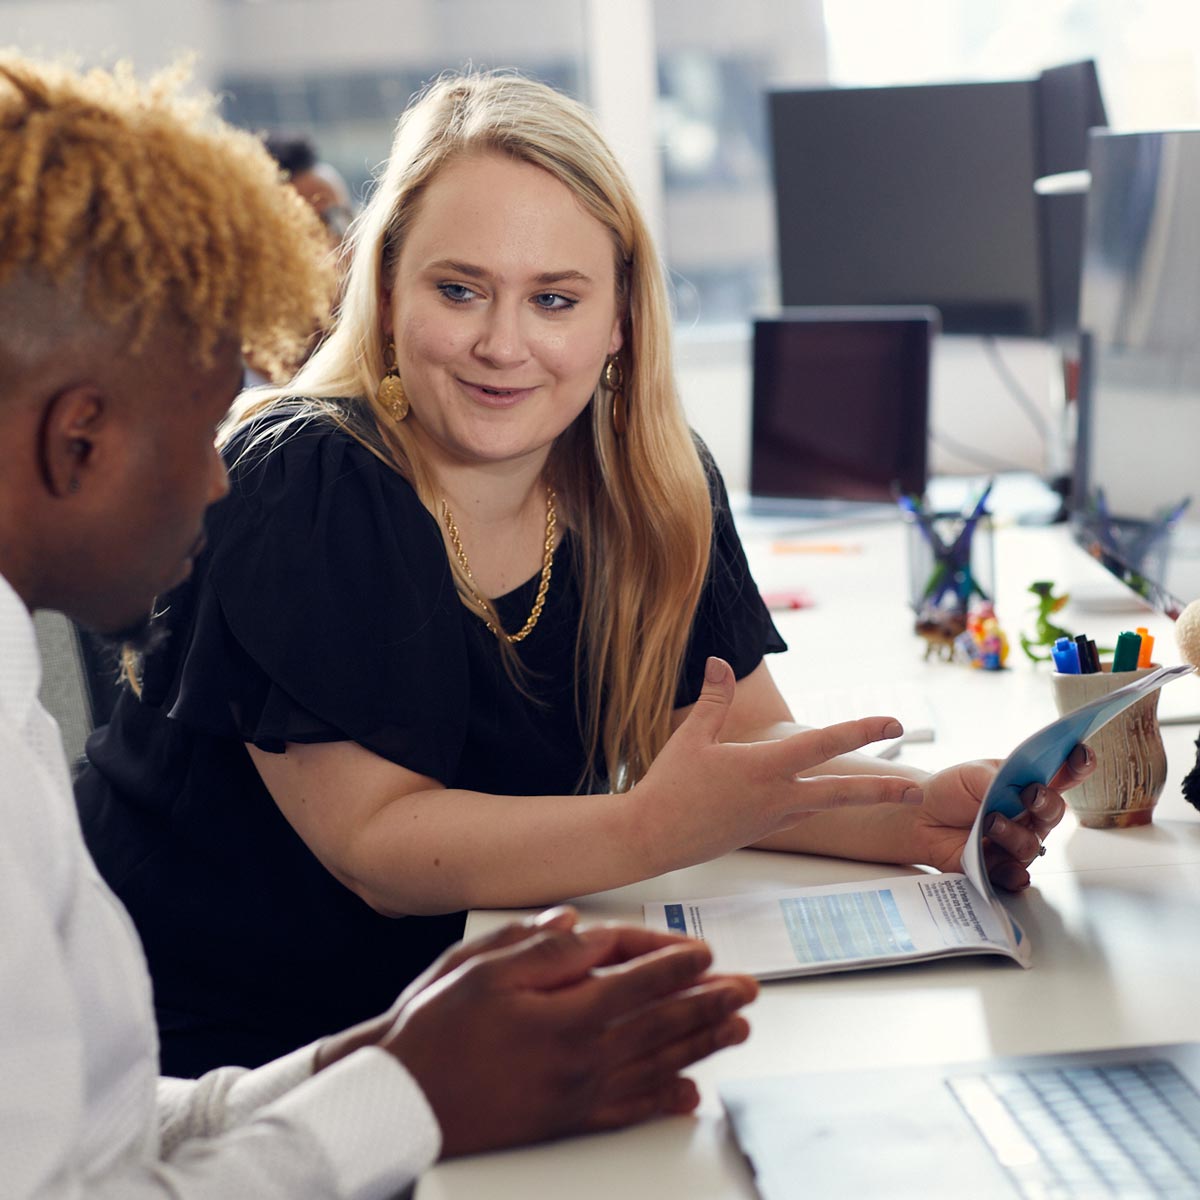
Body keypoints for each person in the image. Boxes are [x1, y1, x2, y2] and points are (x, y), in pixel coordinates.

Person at [77, 69, 1092, 1078]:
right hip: (212, 1061)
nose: (502, 344)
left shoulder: (649, 480)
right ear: (385, 291)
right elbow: (377, 848)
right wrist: (650, 825)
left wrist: (925, 815)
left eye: (554, 299)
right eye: (459, 288)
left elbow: (745, 747)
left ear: (618, 322)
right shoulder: (305, 479)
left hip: (443, 1013)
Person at [0, 54, 761, 1197]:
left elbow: (107, 1125)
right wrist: (405, 1092)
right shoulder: (304, 478)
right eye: (208, 426)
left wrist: (391, 1065)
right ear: (77, 440)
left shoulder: (9, 696)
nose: (219, 484)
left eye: (555, 296)